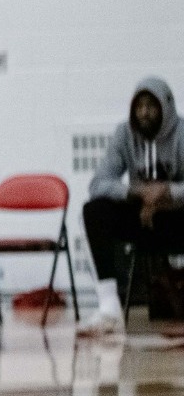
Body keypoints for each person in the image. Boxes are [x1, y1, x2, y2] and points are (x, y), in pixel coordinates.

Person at [80, 77, 184, 336]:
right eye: (139, 106)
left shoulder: (182, 133)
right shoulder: (124, 134)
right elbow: (98, 183)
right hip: (142, 217)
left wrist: (167, 192)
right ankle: (109, 309)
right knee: (94, 210)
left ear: (166, 107)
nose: (144, 112)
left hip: (176, 218)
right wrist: (135, 192)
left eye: (151, 105)